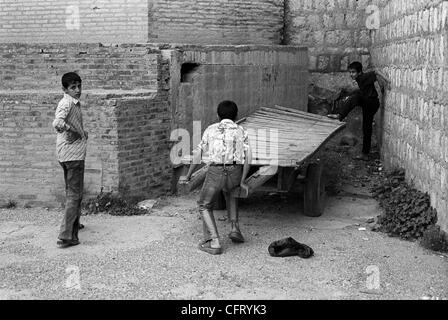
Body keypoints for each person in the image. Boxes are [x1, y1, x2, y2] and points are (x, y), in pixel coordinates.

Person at [179, 100, 252, 255]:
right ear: (236, 115)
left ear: (218, 115)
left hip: (216, 172)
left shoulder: (211, 129)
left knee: (204, 205)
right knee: (230, 191)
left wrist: (188, 175)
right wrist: (242, 180)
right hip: (235, 171)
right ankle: (234, 228)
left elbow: (198, 154)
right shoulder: (241, 131)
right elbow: (248, 158)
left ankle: (215, 242)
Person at [327, 61, 391, 161]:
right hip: (369, 104)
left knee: (355, 97)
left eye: (353, 72)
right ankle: (365, 154)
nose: (351, 74)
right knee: (366, 128)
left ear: (359, 72)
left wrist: (387, 81)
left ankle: (340, 116)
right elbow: (374, 77)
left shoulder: (363, 77)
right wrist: (381, 85)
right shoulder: (360, 79)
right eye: (350, 72)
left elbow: (375, 72)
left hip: (371, 102)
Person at [52, 72, 88, 248]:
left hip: (68, 154)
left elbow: (70, 124)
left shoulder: (72, 102)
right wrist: (72, 131)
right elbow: (57, 123)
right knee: (75, 194)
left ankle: (74, 224)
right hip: (72, 156)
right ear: (65, 89)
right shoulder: (66, 102)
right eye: (73, 87)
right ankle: (66, 235)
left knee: (74, 192)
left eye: (79, 86)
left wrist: (81, 132)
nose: (78, 90)